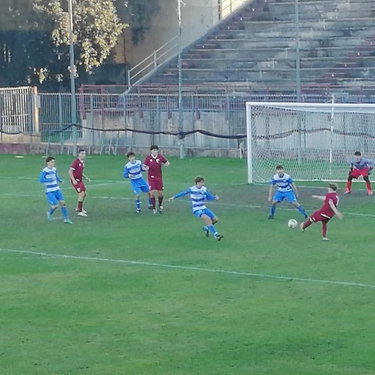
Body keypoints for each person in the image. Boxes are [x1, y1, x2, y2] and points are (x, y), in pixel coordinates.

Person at [168, 176, 223, 241]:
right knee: (207, 219)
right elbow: (183, 193)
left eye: (203, 182)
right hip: (197, 209)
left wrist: (214, 198)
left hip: (203, 207)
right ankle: (216, 235)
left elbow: (208, 197)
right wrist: (174, 197)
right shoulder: (192, 189)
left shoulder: (204, 189)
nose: (202, 184)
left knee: (215, 219)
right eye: (201, 182)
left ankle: (206, 228)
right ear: (196, 183)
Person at [39, 156, 73, 224]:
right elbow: (41, 180)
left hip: (57, 189)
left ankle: (66, 219)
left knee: (63, 203)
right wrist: (50, 180)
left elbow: (56, 176)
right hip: (50, 191)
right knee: (55, 205)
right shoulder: (45, 171)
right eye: (52, 162)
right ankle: (49, 213)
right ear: (47, 163)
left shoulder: (54, 169)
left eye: (54, 162)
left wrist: (59, 180)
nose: (53, 163)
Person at [143, 145, 170, 214]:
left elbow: (167, 162)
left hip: (159, 178)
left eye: (156, 150)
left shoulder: (160, 157)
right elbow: (144, 166)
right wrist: (146, 168)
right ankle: (154, 207)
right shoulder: (148, 158)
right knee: (152, 193)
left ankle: (160, 205)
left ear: (157, 151)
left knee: (160, 193)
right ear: (151, 151)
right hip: (151, 178)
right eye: (153, 150)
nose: (154, 151)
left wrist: (167, 164)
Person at [68, 149, 90, 217]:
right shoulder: (76, 162)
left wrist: (85, 177)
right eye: (82, 154)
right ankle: (79, 211)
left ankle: (79, 207)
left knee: (85, 194)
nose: (84, 155)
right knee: (81, 194)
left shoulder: (82, 162)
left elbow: (80, 172)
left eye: (84, 154)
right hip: (76, 181)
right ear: (79, 154)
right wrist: (73, 179)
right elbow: (70, 171)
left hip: (80, 180)